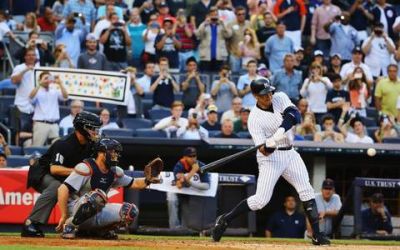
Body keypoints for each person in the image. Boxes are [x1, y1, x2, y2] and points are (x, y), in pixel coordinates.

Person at [211, 77, 330, 246]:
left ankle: (317, 235)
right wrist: (271, 144)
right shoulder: (254, 119)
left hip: (290, 153)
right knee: (261, 200)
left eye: (269, 92)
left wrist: (278, 133)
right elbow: (264, 151)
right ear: (255, 96)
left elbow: (294, 115)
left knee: (306, 190)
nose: (268, 97)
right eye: (264, 95)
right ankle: (225, 219)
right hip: (271, 159)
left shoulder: (280, 97)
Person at [58, 138, 163, 239]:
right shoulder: (85, 167)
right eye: (112, 152)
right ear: (101, 153)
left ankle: (100, 231)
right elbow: (62, 189)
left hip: (97, 210)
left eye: (116, 153)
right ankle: (70, 226)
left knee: (130, 211)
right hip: (75, 209)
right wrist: (64, 215)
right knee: (97, 197)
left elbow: (134, 183)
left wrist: (148, 180)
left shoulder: (114, 172)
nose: (115, 155)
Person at [21, 111, 101, 237]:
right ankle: (31, 223)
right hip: (43, 172)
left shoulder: (91, 145)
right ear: (82, 128)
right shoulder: (64, 144)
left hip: (65, 177)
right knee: (57, 187)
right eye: (92, 128)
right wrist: (78, 172)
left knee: (85, 190)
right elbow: (55, 169)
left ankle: (85, 226)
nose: (95, 132)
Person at [167, 147, 210, 228]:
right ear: (185, 157)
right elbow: (179, 185)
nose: (193, 158)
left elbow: (207, 186)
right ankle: (173, 228)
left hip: (194, 191)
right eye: (190, 156)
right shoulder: (180, 164)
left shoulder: (201, 166)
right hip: (179, 191)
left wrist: (190, 182)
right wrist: (193, 171)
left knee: (188, 209)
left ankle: (189, 228)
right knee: (171, 198)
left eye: (194, 156)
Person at [30, 71, 68, 146]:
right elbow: (31, 97)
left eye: (49, 78)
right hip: (41, 124)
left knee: (56, 148)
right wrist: (40, 84)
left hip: (54, 124)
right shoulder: (37, 91)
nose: (47, 80)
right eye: (45, 78)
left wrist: (60, 83)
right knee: (37, 147)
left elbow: (65, 97)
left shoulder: (54, 91)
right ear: (40, 80)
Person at [11, 48, 40, 139]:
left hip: (36, 107)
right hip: (21, 105)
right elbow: (14, 80)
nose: (31, 57)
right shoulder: (19, 67)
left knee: (35, 133)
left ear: (36, 57)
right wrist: (26, 70)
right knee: (19, 132)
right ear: (25, 57)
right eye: (29, 55)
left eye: (33, 55)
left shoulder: (39, 69)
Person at [196, 6, 232, 72]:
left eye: (216, 15)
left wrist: (223, 24)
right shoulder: (204, 24)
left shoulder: (222, 24)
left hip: (219, 56)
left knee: (217, 76)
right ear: (208, 15)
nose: (214, 17)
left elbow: (228, 35)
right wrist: (205, 24)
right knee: (206, 76)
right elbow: (198, 35)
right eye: (212, 15)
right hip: (206, 56)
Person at [226, 6, 251, 73]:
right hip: (234, 54)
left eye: (243, 14)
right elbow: (227, 38)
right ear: (235, 15)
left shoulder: (248, 24)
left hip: (246, 55)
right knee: (234, 74)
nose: (241, 16)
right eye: (239, 14)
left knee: (245, 74)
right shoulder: (230, 24)